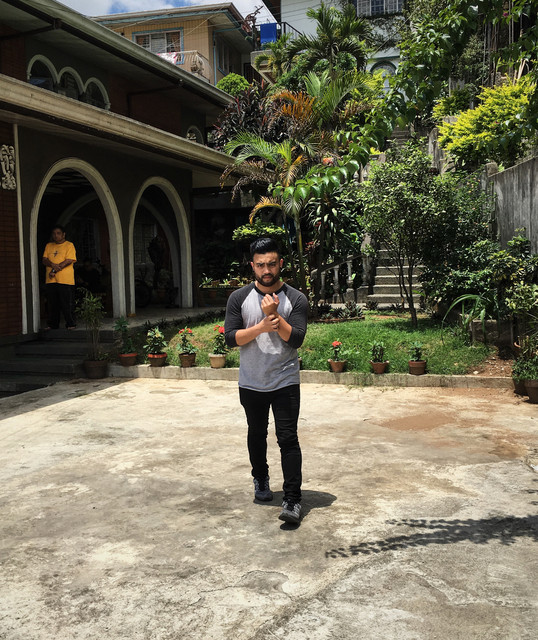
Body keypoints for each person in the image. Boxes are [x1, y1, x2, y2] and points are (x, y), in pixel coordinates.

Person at [225, 238, 308, 524]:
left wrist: (274, 315)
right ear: (252, 266)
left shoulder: (296, 298)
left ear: (280, 263)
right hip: (251, 381)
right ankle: (260, 477)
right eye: (261, 265)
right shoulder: (239, 298)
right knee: (256, 433)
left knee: (288, 438)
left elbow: (296, 339)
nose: (267, 270)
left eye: (272, 264)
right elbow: (230, 338)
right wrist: (261, 326)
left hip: (285, 380)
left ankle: (292, 499)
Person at [42, 225, 77, 330]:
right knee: (52, 304)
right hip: (51, 280)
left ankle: (71, 324)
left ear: (63, 234)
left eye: (58, 233)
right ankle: (53, 325)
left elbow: (68, 260)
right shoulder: (49, 245)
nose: (55, 236)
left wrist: (53, 270)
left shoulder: (69, 245)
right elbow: (44, 260)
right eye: (54, 233)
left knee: (67, 303)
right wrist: (52, 265)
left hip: (65, 280)